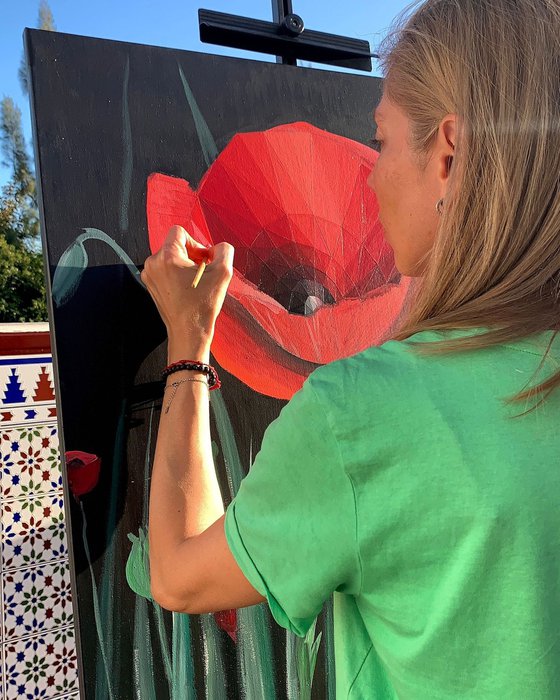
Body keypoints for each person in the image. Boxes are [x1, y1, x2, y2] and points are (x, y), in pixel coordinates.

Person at [140, 0, 560, 696]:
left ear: (448, 157)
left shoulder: (362, 413)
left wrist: (189, 345)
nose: (370, 174)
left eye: (384, 140)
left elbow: (179, 576)